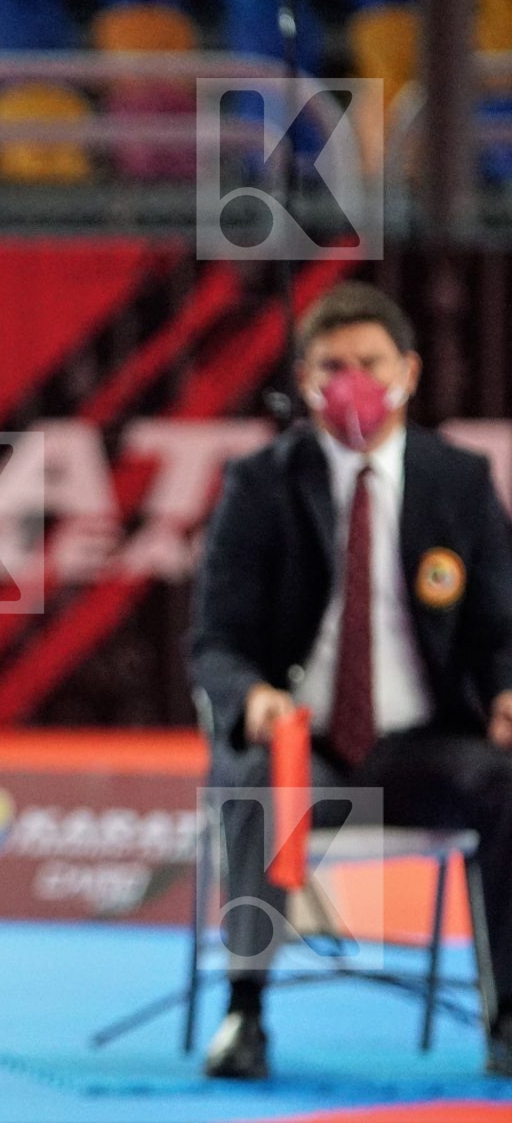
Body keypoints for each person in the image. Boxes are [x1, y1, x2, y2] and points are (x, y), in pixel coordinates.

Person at [191, 281, 512, 1079]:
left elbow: (500, 631)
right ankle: (245, 1013)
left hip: (426, 748)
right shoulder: (262, 482)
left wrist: (507, 692)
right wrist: (253, 697)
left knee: (509, 782)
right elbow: (214, 642)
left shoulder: (460, 481)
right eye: (332, 365)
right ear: (305, 380)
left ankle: (508, 1020)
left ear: (408, 369)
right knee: (260, 781)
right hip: (310, 749)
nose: (353, 383)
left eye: (369, 363)